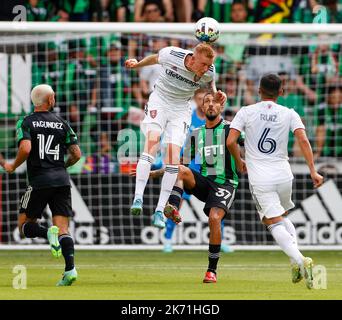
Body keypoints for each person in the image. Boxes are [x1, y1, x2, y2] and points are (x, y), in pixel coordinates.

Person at [227, 73, 324, 289]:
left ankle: (300, 259)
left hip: (260, 178)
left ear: (258, 90)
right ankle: (295, 262)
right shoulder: (289, 113)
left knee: (271, 222)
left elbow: (231, 140)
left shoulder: (246, 111)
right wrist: (313, 171)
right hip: (284, 175)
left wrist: (239, 160)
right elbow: (303, 140)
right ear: (281, 92)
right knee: (281, 217)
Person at [125, 42, 226, 229]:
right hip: (160, 100)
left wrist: (217, 94)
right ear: (193, 58)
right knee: (152, 142)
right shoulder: (171, 54)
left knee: (172, 159)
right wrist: (137, 64)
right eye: (203, 64)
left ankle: (159, 211)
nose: (206, 69)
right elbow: (155, 58)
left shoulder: (209, 71)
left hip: (181, 109)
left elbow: (212, 85)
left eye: (208, 66)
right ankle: (138, 198)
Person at [141, 91, 240, 283]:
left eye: (214, 102)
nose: (210, 105)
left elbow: (250, 145)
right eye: (207, 102)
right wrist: (156, 172)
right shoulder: (196, 133)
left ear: (221, 106)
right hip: (202, 179)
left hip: (225, 183)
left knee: (214, 218)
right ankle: (173, 208)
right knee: (180, 169)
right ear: (202, 107)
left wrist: (246, 161)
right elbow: (180, 162)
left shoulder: (231, 129)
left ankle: (212, 270)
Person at [0, 84, 81, 286]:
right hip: (62, 180)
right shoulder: (62, 123)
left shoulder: (26, 121)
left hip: (39, 180)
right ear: (51, 99)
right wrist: (62, 166)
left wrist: (12, 165)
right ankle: (70, 270)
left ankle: (47, 233)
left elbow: (26, 148)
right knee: (63, 228)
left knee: (24, 225)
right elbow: (77, 154)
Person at [163, 88, 233, 254]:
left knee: (217, 208)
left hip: (212, 170)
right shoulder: (188, 118)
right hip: (191, 167)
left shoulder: (217, 121)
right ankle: (167, 239)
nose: (208, 103)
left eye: (209, 100)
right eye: (202, 99)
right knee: (176, 204)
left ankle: (219, 240)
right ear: (197, 101)